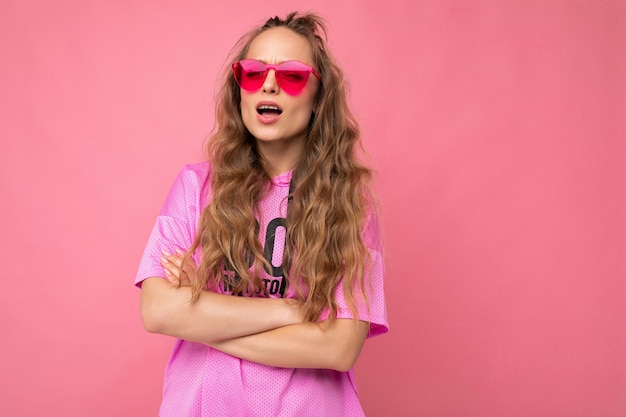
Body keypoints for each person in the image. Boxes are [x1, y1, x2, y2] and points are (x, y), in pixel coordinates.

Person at [135, 11, 388, 417]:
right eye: (253, 73)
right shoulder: (195, 188)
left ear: (318, 96)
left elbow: (339, 348)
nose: (268, 83)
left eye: (291, 75)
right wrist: (293, 311)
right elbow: (158, 311)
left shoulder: (350, 204)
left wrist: (203, 321)